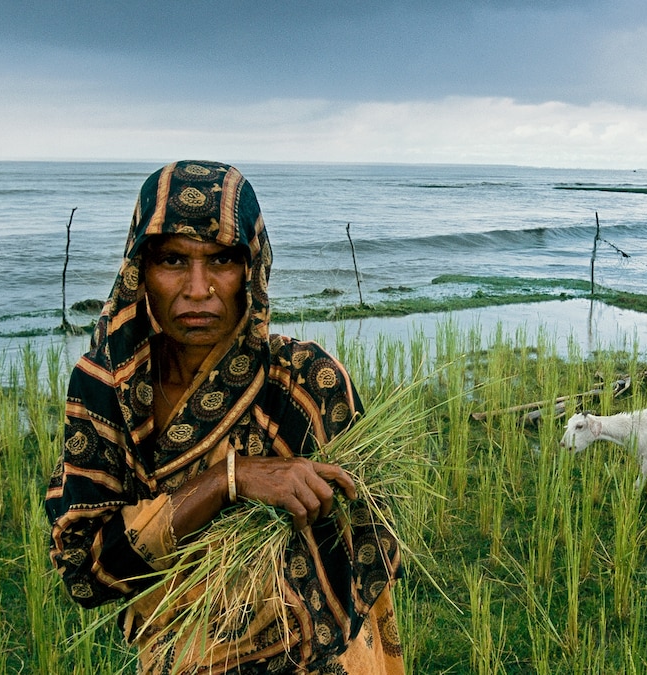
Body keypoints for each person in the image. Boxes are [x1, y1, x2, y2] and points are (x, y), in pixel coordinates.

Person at [44, 160, 403, 674]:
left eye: (222, 260)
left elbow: (368, 546)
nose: (197, 288)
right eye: (172, 260)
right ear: (140, 270)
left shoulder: (305, 381)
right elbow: (86, 575)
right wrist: (226, 482)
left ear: (251, 269)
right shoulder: (105, 387)